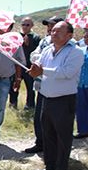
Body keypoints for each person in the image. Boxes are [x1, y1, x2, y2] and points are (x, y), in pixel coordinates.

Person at [29, 21, 84, 170]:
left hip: (64, 99)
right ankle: (50, 167)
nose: (53, 34)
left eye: (58, 32)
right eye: (52, 31)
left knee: (63, 137)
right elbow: (40, 65)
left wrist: (42, 70)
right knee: (48, 135)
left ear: (69, 35)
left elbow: (67, 73)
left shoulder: (76, 52)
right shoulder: (47, 49)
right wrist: (36, 68)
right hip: (46, 97)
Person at [23, 15, 64, 154]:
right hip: (42, 85)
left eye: (53, 25)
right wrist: (38, 60)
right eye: (48, 26)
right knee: (40, 116)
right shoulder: (45, 41)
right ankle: (40, 142)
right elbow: (34, 55)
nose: (50, 28)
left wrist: (42, 63)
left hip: (58, 89)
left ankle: (56, 147)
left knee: (56, 119)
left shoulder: (70, 45)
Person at [9, 17, 40, 109]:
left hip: (29, 67)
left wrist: (28, 45)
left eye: (27, 25)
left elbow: (37, 52)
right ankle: (13, 104)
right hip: (16, 66)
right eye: (23, 24)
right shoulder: (16, 36)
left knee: (30, 87)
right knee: (14, 86)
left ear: (32, 26)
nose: (25, 27)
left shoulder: (36, 37)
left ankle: (29, 106)